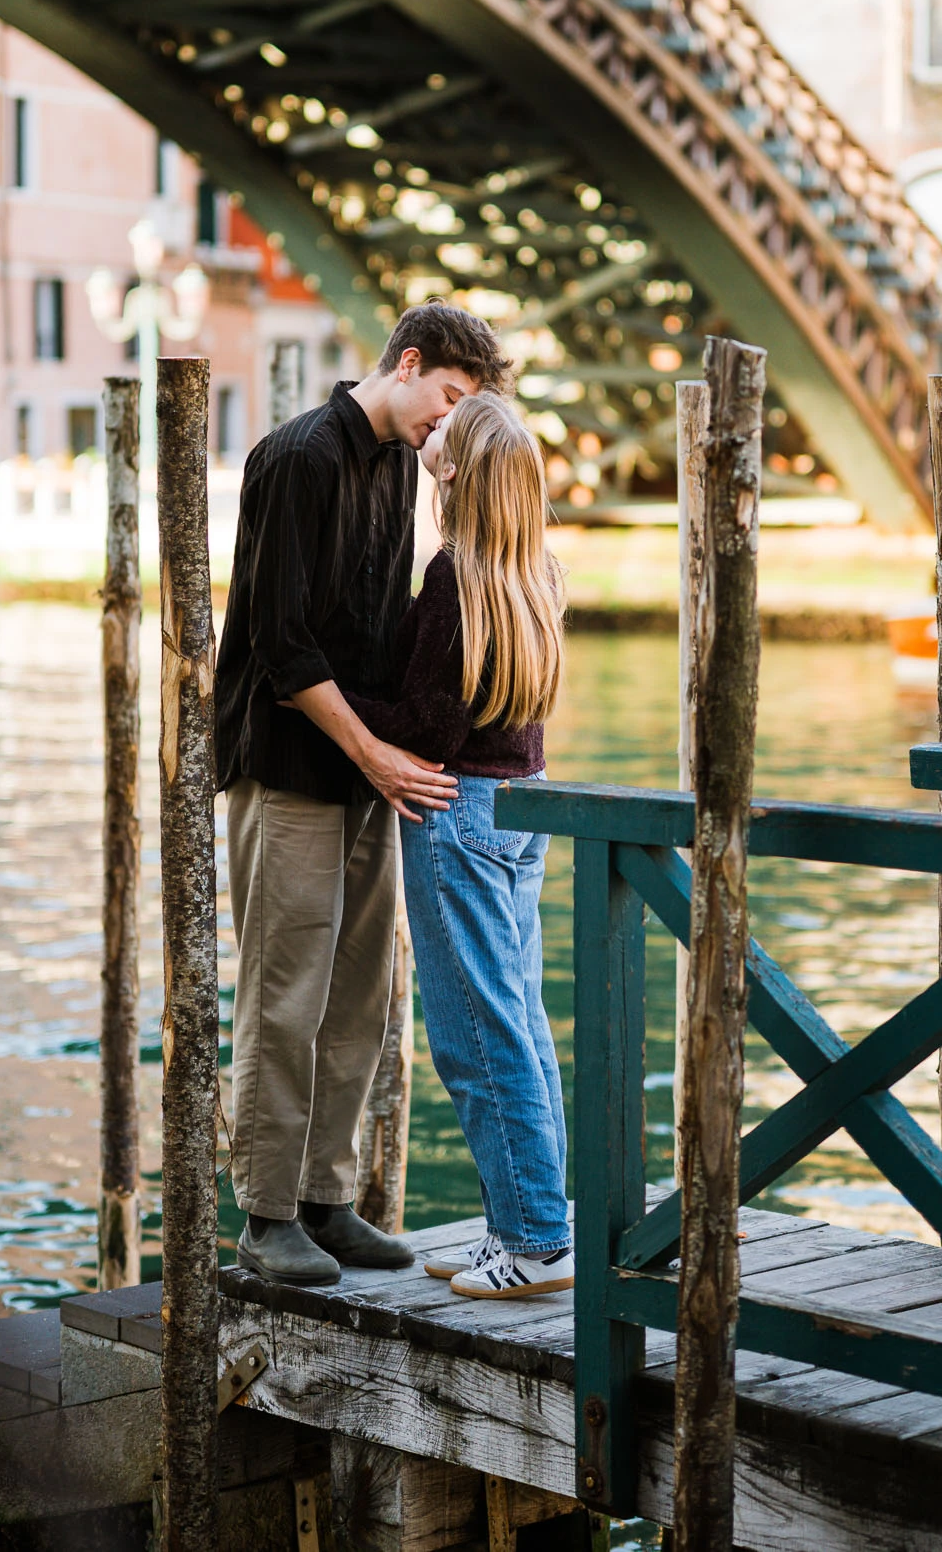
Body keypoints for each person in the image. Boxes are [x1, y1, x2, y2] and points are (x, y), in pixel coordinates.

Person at [216, 303, 512, 1286]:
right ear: (410, 363)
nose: (450, 421)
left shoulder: (401, 466)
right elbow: (280, 644)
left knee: (358, 999)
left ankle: (327, 1201)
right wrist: (377, 756)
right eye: (450, 398)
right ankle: (265, 1217)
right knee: (283, 993)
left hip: (366, 770)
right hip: (291, 763)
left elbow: (389, 631)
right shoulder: (296, 457)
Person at [343, 392, 573, 1298]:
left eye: (444, 456)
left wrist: (321, 691)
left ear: (464, 481)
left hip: (457, 814)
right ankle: (522, 1220)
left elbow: (424, 728)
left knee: (476, 1037)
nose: (430, 462)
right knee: (519, 1022)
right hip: (522, 807)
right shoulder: (534, 572)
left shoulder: (454, 578)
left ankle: (536, 1240)